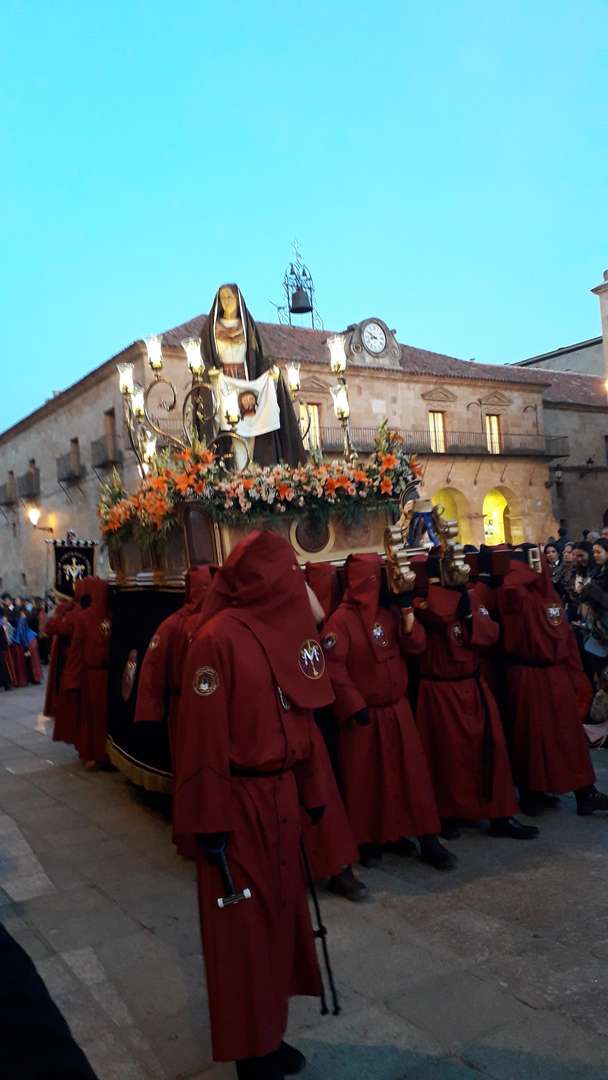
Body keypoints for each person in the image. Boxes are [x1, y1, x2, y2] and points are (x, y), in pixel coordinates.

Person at [174, 532, 334, 1080]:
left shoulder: (282, 631)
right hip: (238, 806)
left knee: (280, 920)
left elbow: (301, 718)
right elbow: (201, 741)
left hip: (280, 794)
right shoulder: (215, 640)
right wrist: (209, 821)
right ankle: (251, 1054)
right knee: (243, 933)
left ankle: (271, 1034)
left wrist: (312, 792)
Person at [321, 552, 456, 870]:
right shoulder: (340, 621)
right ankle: (369, 839)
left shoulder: (390, 612)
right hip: (366, 715)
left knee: (411, 776)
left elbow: (416, 645)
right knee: (367, 780)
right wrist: (354, 704)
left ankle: (428, 838)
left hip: (396, 709)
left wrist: (407, 612)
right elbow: (334, 668)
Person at [414, 554, 537, 840]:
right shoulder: (422, 602)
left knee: (492, 748)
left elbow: (490, 633)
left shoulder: (469, 597)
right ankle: (449, 813)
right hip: (441, 689)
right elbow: (438, 616)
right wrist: (453, 598)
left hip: (471, 684)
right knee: (447, 755)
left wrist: (469, 614)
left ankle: (500, 814)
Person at [496, 545, 608, 817]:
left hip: (555, 672)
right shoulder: (517, 593)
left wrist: (575, 673)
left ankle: (584, 791)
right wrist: (522, 569)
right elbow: (510, 593)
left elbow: (564, 636)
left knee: (569, 735)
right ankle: (533, 791)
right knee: (532, 735)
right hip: (529, 675)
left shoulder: (549, 594)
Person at [198, 284, 306, 467]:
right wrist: (210, 373)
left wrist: (270, 372)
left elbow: (260, 356)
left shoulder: (248, 328)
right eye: (223, 298)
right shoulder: (211, 331)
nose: (226, 302)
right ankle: (235, 469)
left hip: (247, 385)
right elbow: (203, 359)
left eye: (230, 297)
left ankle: (252, 468)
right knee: (230, 431)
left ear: (238, 300)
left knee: (251, 427)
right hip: (224, 386)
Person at [65, 578, 111, 769]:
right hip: (104, 675)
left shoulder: (84, 617)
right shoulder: (112, 614)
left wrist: (71, 676)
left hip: (94, 675)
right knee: (101, 717)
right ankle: (102, 754)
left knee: (93, 718)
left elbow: (76, 648)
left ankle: (96, 754)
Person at [579, 539, 608, 685]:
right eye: (594, 552)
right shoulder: (597, 570)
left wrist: (592, 591)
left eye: (598, 552)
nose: (595, 555)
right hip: (597, 622)